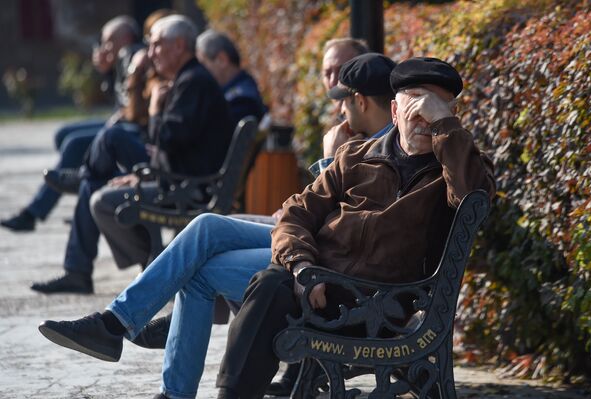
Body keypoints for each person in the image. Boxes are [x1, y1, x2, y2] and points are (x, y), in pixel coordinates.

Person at [37, 52, 396, 399]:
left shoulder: (389, 152)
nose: (339, 108)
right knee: (207, 226)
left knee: (199, 271)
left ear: (362, 101)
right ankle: (116, 324)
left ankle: (147, 361)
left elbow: (348, 222)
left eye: (345, 100)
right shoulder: (368, 142)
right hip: (309, 239)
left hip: (326, 262)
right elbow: (315, 205)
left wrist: (329, 159)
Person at [212, 56, 497, 399]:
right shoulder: (354, 157)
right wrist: (303, 266)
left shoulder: (455, 169)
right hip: (319, 288)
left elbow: (473, 197)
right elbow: (295, 213)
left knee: (260, 286)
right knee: (270, 283)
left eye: (435, 110)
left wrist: (445, 127)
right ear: (394, 112)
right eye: (416, 109)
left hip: (380, 307)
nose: (424, 120)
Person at [30, 15, 234, 294]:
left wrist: (155, 112)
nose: (150, 53)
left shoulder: (193, 82)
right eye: (149, 45)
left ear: (179, 45)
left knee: (101, 187)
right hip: (175, 177)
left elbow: (167, 140)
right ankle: (82, 270)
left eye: (157, 45)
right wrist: (139, 175)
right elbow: (173, 145)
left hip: (185, 187)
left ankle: (157, 268)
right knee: (95, 184)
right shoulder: (187, 79)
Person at [0, 16, 142, 231]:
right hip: (119, 122)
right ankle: (84, 186)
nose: (105, 47)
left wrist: (124, 110)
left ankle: (36, 212)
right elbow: (117, 97)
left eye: (110, 41)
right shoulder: (124, 58)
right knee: (62, 135)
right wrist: (106, 72)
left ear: (127, 38)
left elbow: (135, 105)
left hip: (132, 128)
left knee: (74, 144)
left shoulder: (135, 56)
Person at [196, 29, 267, 125]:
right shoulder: (242, 89)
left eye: (203, 64)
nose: (199, 72)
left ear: (222, 60)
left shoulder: (242, 101)